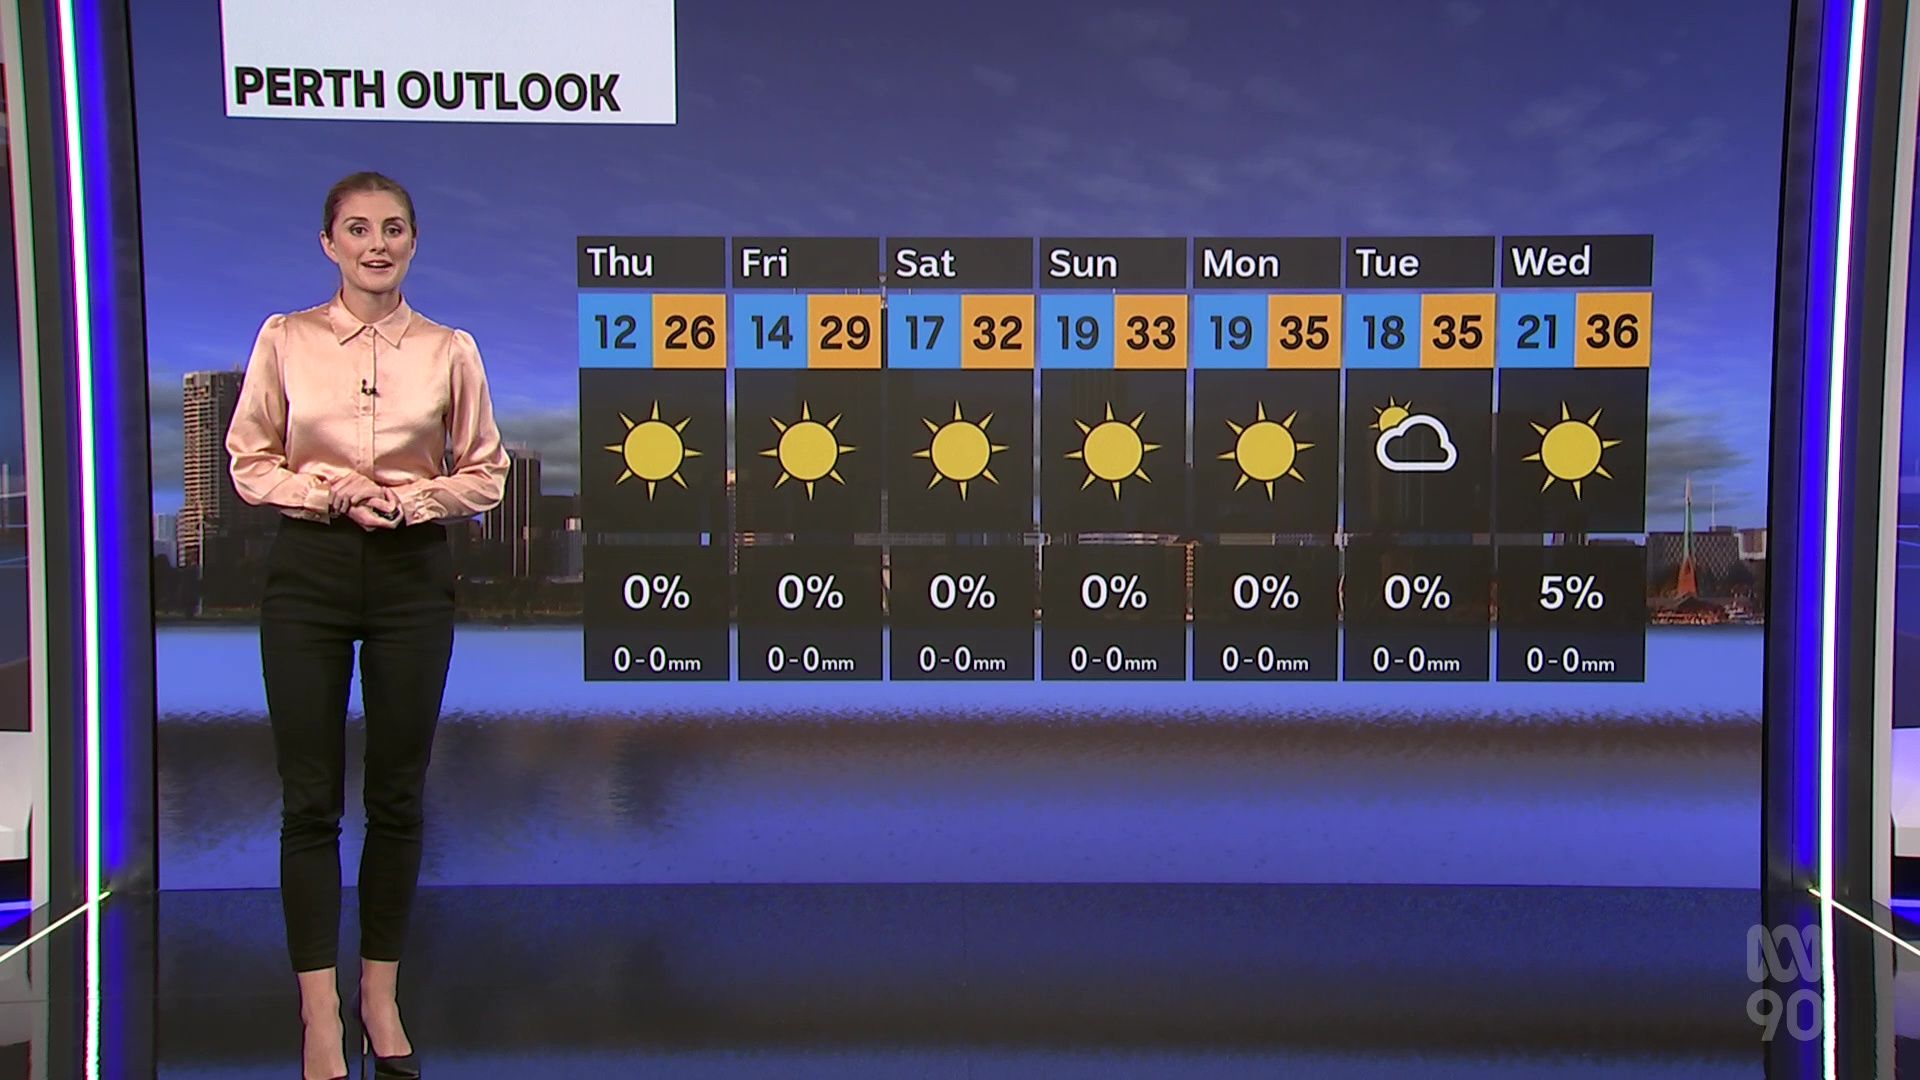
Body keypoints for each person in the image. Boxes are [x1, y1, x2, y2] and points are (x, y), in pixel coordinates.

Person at [226, 171, 509, 1080]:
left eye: (392, 229)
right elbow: (248, 461)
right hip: (308, 571)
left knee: (396, 796)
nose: (375, 245)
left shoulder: (450, 350)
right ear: (329, 244)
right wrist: (329, 492)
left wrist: (413, 500)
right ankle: (319, 1015)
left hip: (410, 574)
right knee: (309, 799)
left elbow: (487, 472)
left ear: (413, 242)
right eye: (357, 229)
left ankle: (379, 998)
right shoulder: (285, 338)